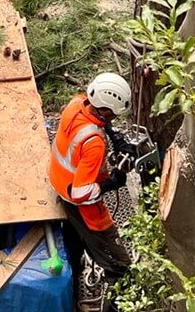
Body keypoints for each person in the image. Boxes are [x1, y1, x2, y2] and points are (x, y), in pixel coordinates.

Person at [48, 72, 134, 282]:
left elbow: (97, 118)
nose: (114, 119)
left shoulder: (76, 104)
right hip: (81, 202)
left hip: (59, 181)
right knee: (117, 262)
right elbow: (81, 193)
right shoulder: (93, 143)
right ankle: (116, 294)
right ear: (104, 111)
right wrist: (110, 183)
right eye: (113, 116)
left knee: (74, 239)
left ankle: (75, 267)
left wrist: (115, 135)